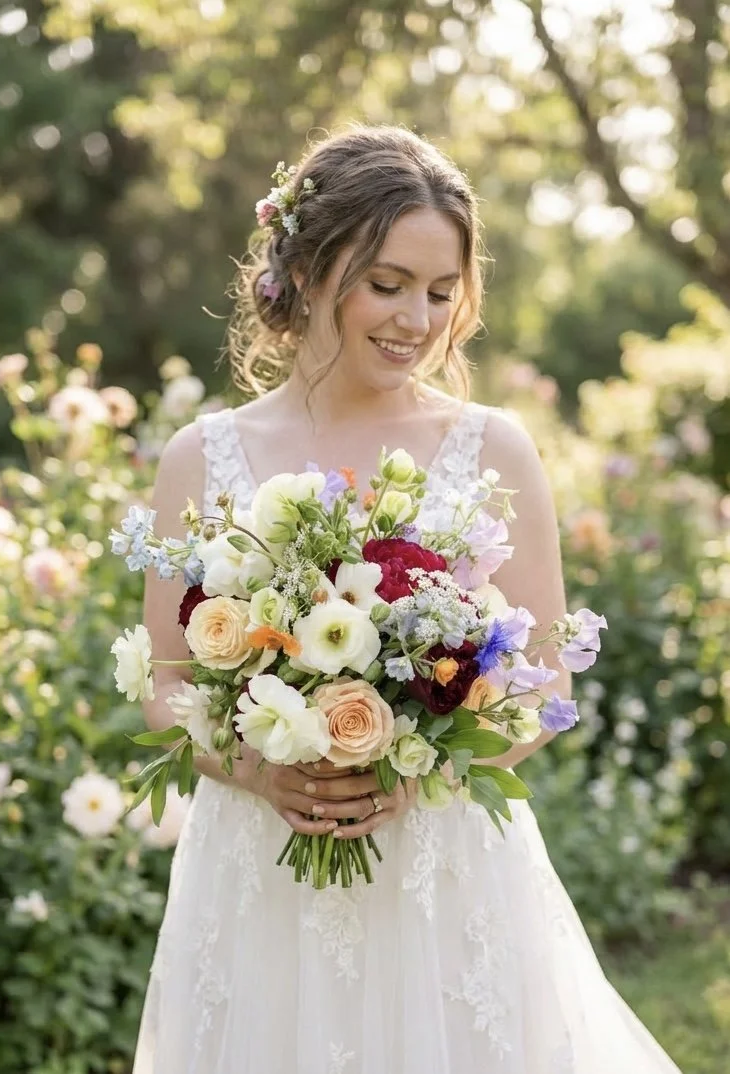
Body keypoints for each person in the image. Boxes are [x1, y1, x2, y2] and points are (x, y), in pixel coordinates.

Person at [133, 124, 681, 1073]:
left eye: (440, 291)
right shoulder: (202, 458)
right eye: (387, 284)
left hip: (443, 869)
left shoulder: (492, 448)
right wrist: (267, 773)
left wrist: (414, 767)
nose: (417, 320)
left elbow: (546, 673)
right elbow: (169, 686)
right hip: (260, 866)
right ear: (306, 270)